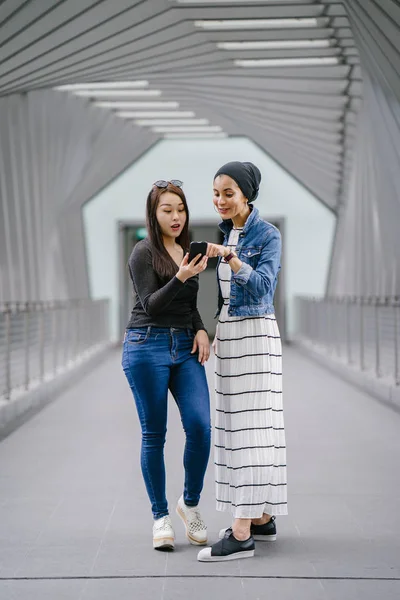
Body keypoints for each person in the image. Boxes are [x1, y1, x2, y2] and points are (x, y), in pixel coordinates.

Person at [197, 162, 287, 562]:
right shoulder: (226, 231)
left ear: (247, 194)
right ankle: (262, 517)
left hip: (255, 334)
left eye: (228, 193)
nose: (220, 200)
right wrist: (218, 327)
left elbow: (265, 285)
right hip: (232, 334)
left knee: (253, 429)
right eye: (216, 193)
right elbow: (226, 295)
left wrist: (233, 259)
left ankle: (240, 533)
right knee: (240, 424)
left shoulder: (268, 234)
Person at [122, 179, 211, 552]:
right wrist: (181, 276)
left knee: (200, 426)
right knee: (154, 434)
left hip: (185, 348)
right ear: (153, 213)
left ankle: (188, 504)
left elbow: (188, 305)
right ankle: (160, 517)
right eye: (167, 210)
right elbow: (152, 305)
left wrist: (202, 329)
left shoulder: (186, 251)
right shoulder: (143, 252)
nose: (176, 217)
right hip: (146, 345)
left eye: (180, 209)